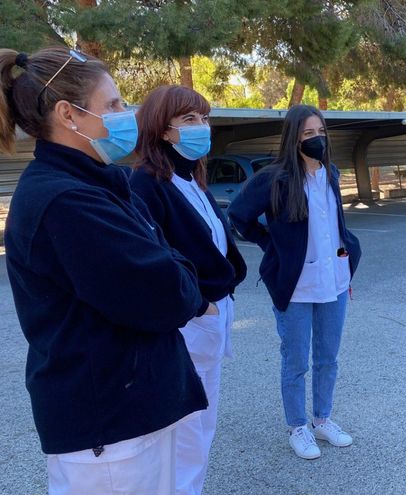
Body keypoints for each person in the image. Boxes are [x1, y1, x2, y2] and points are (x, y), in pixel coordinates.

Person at [0, 47, 209, 494]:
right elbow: (168, 294)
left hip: (132, 413)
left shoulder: (97, 183)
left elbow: (168, 266)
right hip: (111, 431)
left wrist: (176, 268)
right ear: (68, 115)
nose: (125, 114)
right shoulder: (67, 201)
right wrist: (181, 273)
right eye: (112, 105)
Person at [129, 85, 247, 494]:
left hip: (210, 318)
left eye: (204, 118)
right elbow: (152, 263)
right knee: (185, 431)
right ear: (163, 130)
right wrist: (201, 307)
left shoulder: (191, 179)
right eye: (190, 120)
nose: (203, 127)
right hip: (188, 323)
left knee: (202, 423)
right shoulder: (146, 184)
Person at [228, 105, 361, 460]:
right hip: (296, 287)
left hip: (334, 282)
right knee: (296, 360)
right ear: (293, 139)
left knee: (328, 358)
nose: (316, 139)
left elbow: (334, 225)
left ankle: (322, 419)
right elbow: (238, 215)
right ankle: (298, 427)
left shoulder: (330, 173)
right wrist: (272, 244)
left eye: (320, 132)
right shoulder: (274, 178)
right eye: (307, 134)